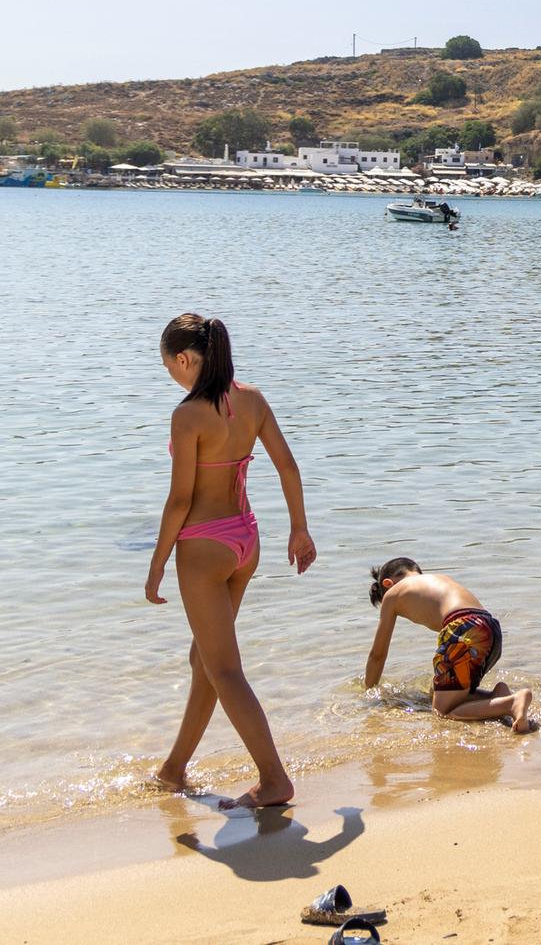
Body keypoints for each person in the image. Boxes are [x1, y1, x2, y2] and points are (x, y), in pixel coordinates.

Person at [146, 313, 316, 810]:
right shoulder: (252, 400)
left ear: (184, 359)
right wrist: (300, 529)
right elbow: (287, 466)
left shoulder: (188, 415)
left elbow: (180, 500)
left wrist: (157, 563)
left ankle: (274, 779)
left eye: (169, 367)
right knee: (205, 659)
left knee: (224, 669)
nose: (171, 376)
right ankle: (174, 769)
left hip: (203, 546)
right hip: (245, 538)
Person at [362, 557, 536, 734]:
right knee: (438, 693)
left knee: (442, 711)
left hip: (463, 628)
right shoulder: (438, 580)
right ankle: (496, 696)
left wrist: (369, 691)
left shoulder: (392, 594)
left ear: (387, 583)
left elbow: (378, 655)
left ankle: (511, 703)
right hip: (490, 629)